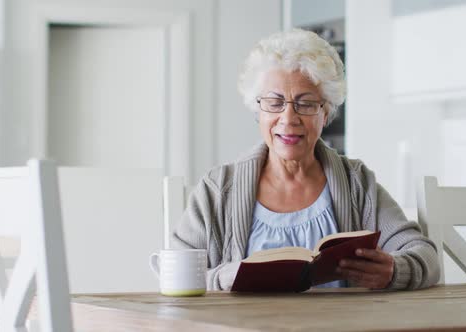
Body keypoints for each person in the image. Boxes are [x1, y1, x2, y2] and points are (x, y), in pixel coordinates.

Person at [172, 29, 440, 291]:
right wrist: (225, 278)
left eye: (306, 103)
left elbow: (425, 255)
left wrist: (394, 270)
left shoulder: (356, 183)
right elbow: (173, 273)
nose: (288, 119)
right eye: (275, 103)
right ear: (258, 111)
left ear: (326, 113)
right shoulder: (217, 190)